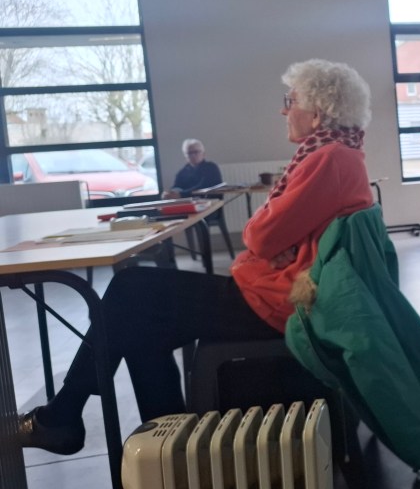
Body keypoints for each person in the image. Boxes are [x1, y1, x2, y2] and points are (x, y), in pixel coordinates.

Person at [18, 59, 375, 455]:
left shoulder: (328, 158)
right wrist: (273, 236)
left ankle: (70, 417)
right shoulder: (341, 155)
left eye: (290, 101)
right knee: (138, 324)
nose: (283, 110)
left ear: (318, 114)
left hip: (280, 303)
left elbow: (260, 236)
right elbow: (271, 236)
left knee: (130, 288)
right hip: (285, 295)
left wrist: (269, 235)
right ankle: (161, 451)